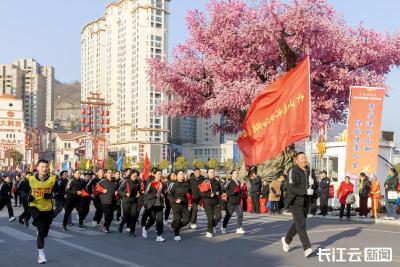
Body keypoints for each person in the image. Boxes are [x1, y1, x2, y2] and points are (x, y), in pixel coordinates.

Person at [281, 152, 316, 258]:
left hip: (306, 201)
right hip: (295, 201)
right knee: (301, 225)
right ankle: (307, 248)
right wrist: (305, 191)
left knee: (298, 224)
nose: (304, 160)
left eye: (305, 158)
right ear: (296, 160)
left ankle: (286, 240)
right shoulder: (293, 171)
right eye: (301, 158)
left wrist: (313, 185)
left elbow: (315, 187)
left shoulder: (310, 171)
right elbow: (292, 188)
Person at [26, 159, 58, 264]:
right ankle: (41, 255)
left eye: (46, 167)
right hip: (35, 207)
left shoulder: (53, 179)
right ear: (37, 168)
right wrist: (27, 197)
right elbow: (22, 191)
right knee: (41, 228)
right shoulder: (30, 179)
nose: (44, 169)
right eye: (42, 167)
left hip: (48, 209)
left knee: (44, 233)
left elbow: (59, 193)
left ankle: (41, 231)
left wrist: (52, 195)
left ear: (48, 168)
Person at [142, 168, 167, 242]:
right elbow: (146, 193)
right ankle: (145, 228)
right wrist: (154, 195)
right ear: (154, 175)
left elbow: (164, 192)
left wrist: (163, 194)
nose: (160, 175)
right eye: (158, 174)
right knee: (152, 219)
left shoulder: (162, 184)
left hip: (159, 204)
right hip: (152, 204)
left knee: (160, 220)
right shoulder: (151, 183)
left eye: (160, 174)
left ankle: (159, 236)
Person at [168, 170, 191, 241]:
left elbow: (190, 193)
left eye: (183, 174)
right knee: (177, 219)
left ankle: (175, 226)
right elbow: (169, 195)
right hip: (176, 205)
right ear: (177, 175)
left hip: (184, 205)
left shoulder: (187, 184)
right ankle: (177, 235)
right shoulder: (173, 184)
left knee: (187, 220)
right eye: (180, 174)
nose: (182, 175)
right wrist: (175, 200)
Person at [221, 169, 245, 235]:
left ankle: (239, 228)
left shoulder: (239, 182)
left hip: (237, 201)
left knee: (240, 214)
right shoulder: (229, 181)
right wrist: (233, 192)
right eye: (235, 173)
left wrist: (241, 188)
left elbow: (240, 191)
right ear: (231, 175)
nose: (236, 174)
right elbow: (223, 188)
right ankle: (224, 227)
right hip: (231, 201)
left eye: (237, 173)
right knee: (228, 215)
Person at [200, 168, 222, 238]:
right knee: (211, 218)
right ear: (207, 173)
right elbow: (201, 193)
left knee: (219, 216)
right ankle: (209, 231)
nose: (212, 173)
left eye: (213, 172)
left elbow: (220, 190)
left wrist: (219, 192)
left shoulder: (217, 181)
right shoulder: (204, 182)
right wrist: (209, 194)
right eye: (210, 172)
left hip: (216, 202)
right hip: (207, 202)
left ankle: (213, 225)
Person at [118, 169, 140, 236]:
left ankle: (132, 232)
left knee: (133, 217)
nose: (135, 176)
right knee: (127, 216)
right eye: (134, 175)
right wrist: (125, 194)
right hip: (126, 202)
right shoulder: (126, 182)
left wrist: (139, 194)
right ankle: (121, 224)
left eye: (136, 175)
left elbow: (139, 190)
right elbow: (119, 191)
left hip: (134, 202)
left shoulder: (137, 182)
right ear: (131, 174)